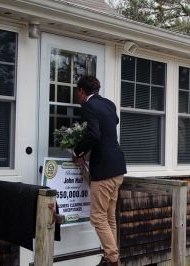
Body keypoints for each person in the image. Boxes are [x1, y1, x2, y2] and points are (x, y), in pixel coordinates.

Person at [73, 75, 127, 266]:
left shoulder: (89, 106)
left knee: (97, 217)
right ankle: (110, 255)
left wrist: (77, 150)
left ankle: (112, 259)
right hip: (118, 167)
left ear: (81, 90)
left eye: (76, 91)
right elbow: (115, 121)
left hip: (103, 169)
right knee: (109, 217)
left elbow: (94, 135)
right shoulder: (109, 104)